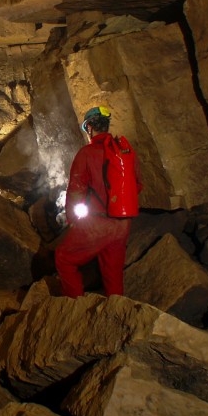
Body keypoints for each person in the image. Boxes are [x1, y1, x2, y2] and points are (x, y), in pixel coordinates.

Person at [55, 106, 142, 298]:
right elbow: (138, 185)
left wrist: (72, 220)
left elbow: (76, 190)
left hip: (98, 224)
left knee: (64, 258)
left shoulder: (87, 153)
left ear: (90, 128)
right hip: (122, 223)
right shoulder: (125, 152)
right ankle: (116, 313)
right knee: (113, 275)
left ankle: (75, 305)